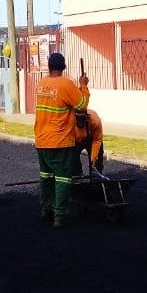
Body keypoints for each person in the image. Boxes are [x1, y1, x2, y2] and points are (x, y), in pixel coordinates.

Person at [34, 52, 89, 228]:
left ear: (49, 67)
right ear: (63, 68)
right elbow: (82, 105)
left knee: (46, 177)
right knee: (63, 179)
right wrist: (83, 86)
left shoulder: (41, 84)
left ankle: (46, 209)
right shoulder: (66, 84)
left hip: (42, 141)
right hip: (60, 141)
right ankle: (59, 216)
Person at [72, 108, 104, 177]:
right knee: (72, 158)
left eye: (82, 119)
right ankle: (77, 173)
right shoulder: (68, 121)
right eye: (78, 119)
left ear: (87, 117)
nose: (80, 122)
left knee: (96, 161)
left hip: (92, 139)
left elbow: (97, 140)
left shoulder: (95, 121)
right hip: (75, 140)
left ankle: (96, 176)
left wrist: (93, 159)